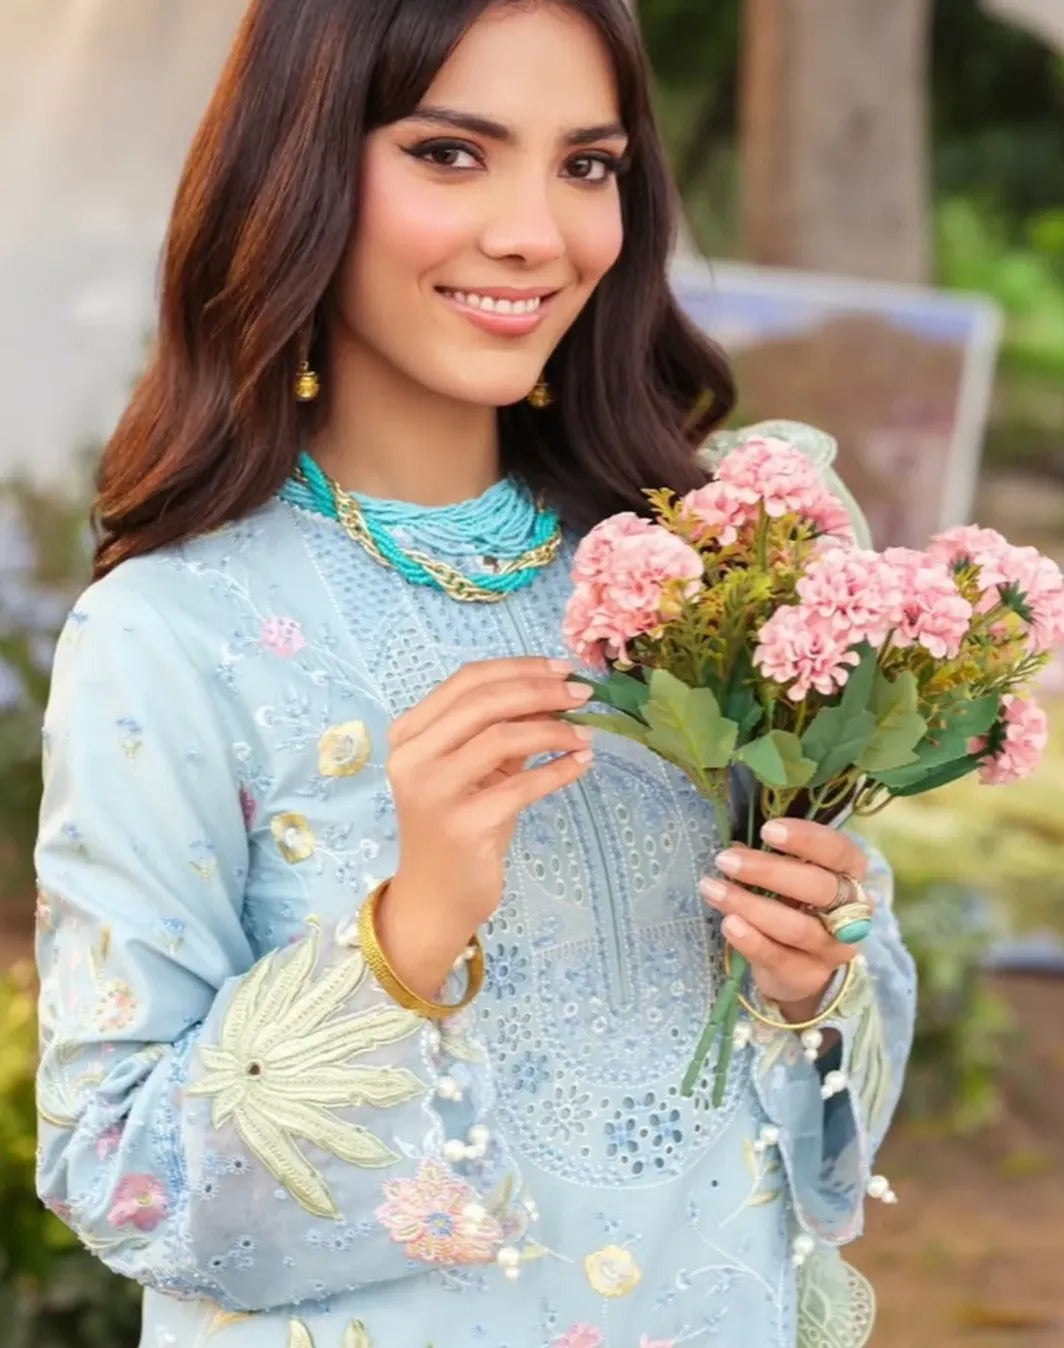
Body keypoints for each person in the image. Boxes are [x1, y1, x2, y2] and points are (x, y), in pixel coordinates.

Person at [34, 2, 916, 1345]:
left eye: (587, 164)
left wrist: (818, 980)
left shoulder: (709, 576)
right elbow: (121, 1179)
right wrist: (407, 934)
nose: (535, 233)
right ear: (301, 168)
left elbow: (830, 1121)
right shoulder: (173, 633)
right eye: (451, 153)